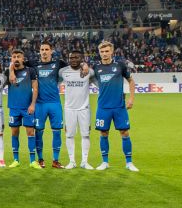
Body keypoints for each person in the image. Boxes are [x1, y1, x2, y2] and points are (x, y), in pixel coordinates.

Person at [93, 41, 139, 171]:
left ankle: (129, 163)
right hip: (103, 107)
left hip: (119, 107)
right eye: (102, 52)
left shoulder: (120, 65)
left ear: (112, 51)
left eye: (107, 51)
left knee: (124, 132)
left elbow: (131, 80)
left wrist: (131, 98)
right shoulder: (96, 67)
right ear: (99, 53)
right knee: (103, 133)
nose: (104, 54)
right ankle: (105, 162)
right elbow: (88, 78)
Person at [24, 41, 69, 169]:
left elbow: (74, 66)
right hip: (40, 104)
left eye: (46, 49)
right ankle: (41, 159)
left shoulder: (58, 63)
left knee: (56, 132)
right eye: (42, 49)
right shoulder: (33, 64)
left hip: (55, 103)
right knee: (39, 132)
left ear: (51, 51)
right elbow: (19, 64)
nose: (44, 51)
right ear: (39, 51)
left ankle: (55, 160)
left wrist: (84, 66)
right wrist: (11, 69)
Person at [59, 51, 95, 169]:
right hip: (69, 109)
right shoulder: (63, 72)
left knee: (85, 135)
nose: (73, 59)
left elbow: (100, 84)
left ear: (82, 59)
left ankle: (84, 161)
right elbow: (53, 82)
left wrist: (85, 65)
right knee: (69, 135)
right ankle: (72, 161)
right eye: (71, 57)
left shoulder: (89, 72)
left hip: (84, 108)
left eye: (76, 57)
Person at [7, 49, 40, 169]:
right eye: (14, 56)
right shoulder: (8, 72)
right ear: (11, 59)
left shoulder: (30, 71)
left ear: (23, 58)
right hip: (14, 108)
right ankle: (16, 160)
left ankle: (32, 161)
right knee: (14, 133)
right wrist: (10, 71)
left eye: (18, 56)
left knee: (30, 133)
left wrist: (33, 104)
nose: (16, 58)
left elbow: (35, 88)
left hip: (27, 108)